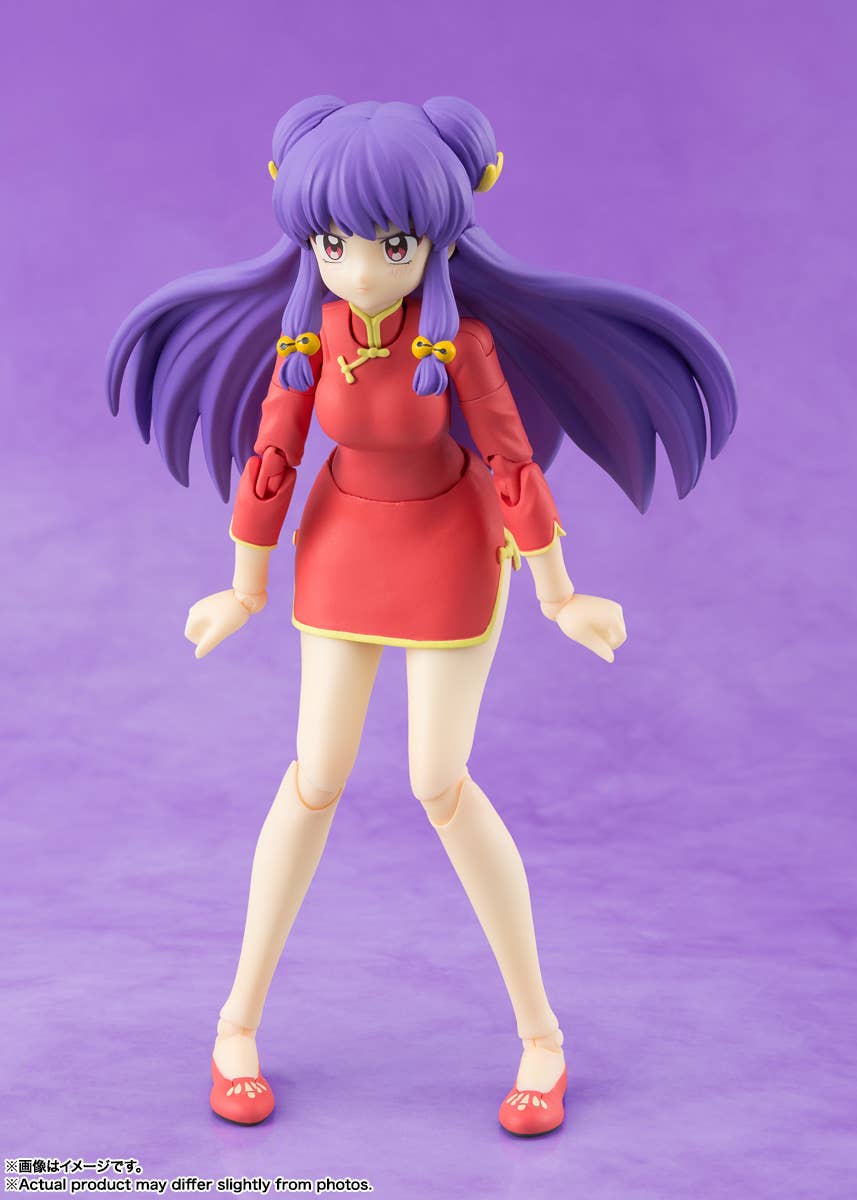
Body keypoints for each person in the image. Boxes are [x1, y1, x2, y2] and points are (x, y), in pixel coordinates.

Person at [106, 95, 736, 1135]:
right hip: (340, 550)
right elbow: (273, 457)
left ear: (436, 239)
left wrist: (559, 593)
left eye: (390, 245)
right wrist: (245, 585)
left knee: (436, 781)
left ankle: (540, 1036)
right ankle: (235, 1023)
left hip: (447, 547)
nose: (360, 271)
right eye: (334, 244)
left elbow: (511, 464)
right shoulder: (308, 336)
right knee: (314, 777)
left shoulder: (460, 346)